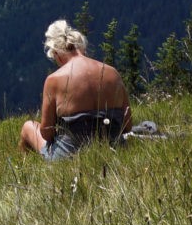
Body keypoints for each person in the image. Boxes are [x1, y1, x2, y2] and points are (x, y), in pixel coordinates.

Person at [19, 19, 130, 159]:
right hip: (115, 149)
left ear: (56, 54)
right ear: (82, 47)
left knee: (28, 127)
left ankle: (24, 168)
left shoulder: (54, 80)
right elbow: (128, 124)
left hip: (69, 156)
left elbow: (47, 133)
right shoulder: (113, 73)